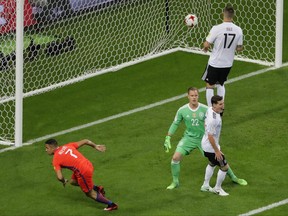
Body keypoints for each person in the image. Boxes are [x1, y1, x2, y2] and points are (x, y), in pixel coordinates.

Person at [164, 87, 247, 190]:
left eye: (196, 95)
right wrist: (168, 137)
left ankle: (234, 178)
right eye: (192, 95)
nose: (194, 98)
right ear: (188, 96)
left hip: (203, 140)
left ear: (198, 96)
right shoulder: (182, 110)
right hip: (188, 138)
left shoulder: (205, 109)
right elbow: (175, 123)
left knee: (218, 158)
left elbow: (214, 120)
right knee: (175, 158)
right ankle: (175, 182)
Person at [45, 138, 118, 211]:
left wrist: (63, 181)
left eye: (47, 148)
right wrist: (95, 146)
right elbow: (86, 141)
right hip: (87, 164)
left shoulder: (56, 159)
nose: (46, 150)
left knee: (89, 193)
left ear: (51, 147)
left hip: (82, 171)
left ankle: (112, 205)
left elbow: (60, 177)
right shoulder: (67, 146)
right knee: (73, 181)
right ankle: (98, 188)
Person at [201, 4, 243, 107]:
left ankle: (211, 110)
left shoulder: (217, 28)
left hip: (215, 63)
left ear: (223, 14)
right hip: (227, 64)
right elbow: (240, 48)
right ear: (233, 15)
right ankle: (220, 109)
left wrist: (205, 48)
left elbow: (207, 44)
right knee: (221, 84)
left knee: (210, 85)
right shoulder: (238, 30)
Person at [201, 95, 231, 196]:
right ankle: (217, 189)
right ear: (214, 105)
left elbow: (205, 122)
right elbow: (210, 137)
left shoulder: (210, 109)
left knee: (212, 163)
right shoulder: (214, 120)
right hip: (210, 148)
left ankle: (205, 185)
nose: (223, 106)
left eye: (223, 103)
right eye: (220, 104)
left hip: (206, 145)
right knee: (225, 167)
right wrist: (217, 151)